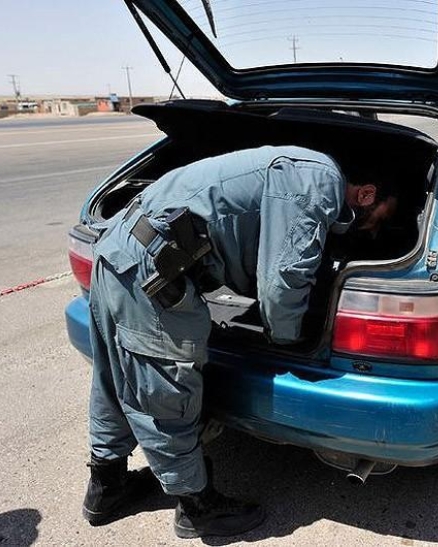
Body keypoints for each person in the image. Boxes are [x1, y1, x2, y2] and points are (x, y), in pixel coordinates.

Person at [82, 145, 398, 538]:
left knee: (114, 377)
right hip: (153, 270)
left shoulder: (304, 166)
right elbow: (282, 281)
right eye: (382, 218)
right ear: (367, 194)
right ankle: (197, 508)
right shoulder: (319, 182)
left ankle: (107, 486)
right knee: (167, 393)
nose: (375, 229)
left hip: (119, 248)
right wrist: (287, 338)